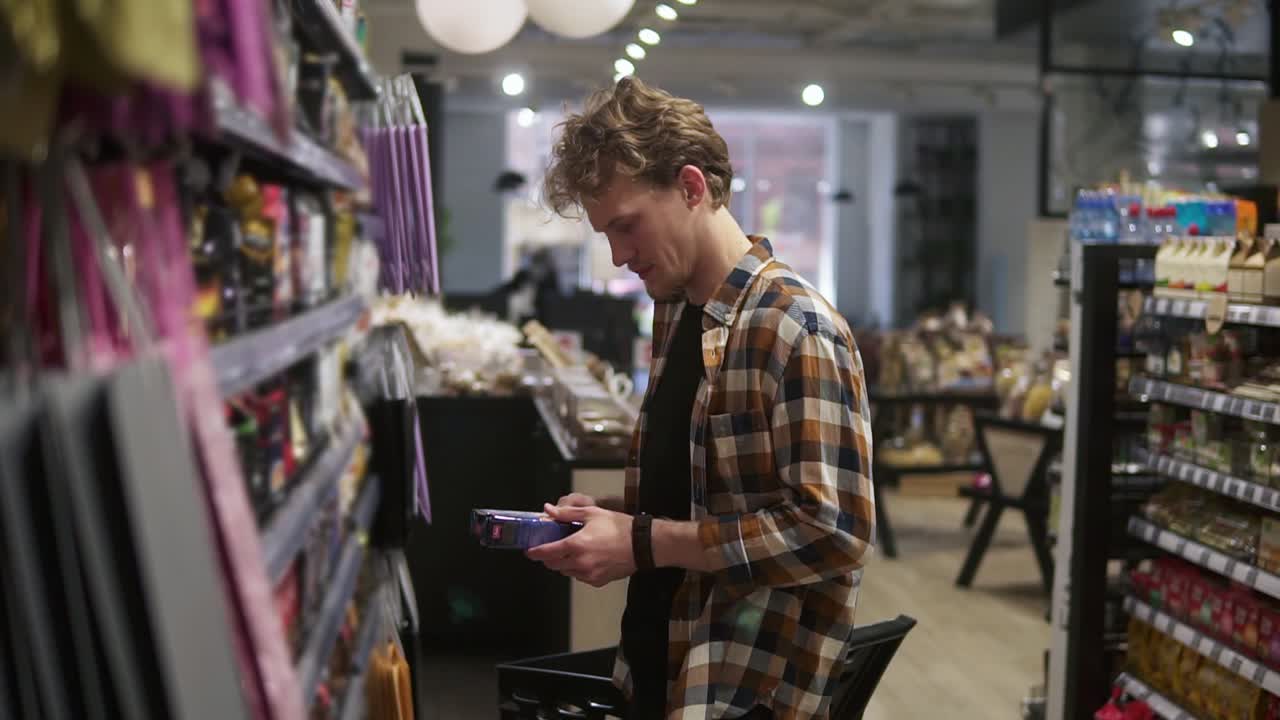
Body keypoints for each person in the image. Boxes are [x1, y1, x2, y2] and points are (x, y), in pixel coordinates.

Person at [526, 77, 875, 720]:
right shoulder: (678, 313)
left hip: (744, 688)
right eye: (606, 234)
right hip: (662, 666)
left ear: (691, 187)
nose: (619, 255)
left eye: (627, 227)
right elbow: (709, 495)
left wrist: (642, 543)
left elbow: (835, 532)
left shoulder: (795, 327)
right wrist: (613, 518)